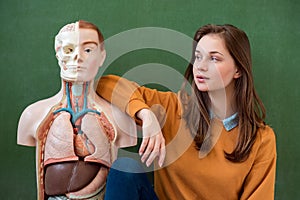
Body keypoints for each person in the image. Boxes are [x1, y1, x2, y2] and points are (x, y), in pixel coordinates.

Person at [96, 24, 277, 199]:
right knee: (125, 168)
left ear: (238, 69)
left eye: (214, 58)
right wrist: (145, 114)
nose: (200, 66)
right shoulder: (173, 106)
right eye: (198, 57)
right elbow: (106, 84)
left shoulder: (261, 139)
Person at [17, 20, 153, 200]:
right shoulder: (32, 115)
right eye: (69, 50)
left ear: (102, 57)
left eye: (88, 50)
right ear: (58, 54)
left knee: (126, 167)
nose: (78, 57)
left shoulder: (119, 118)